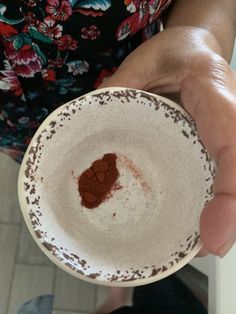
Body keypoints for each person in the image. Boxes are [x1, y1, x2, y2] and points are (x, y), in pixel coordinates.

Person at [1, 1, 236, 312]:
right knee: (31, 173)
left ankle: (118, 286)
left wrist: (198, 37)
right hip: (13, 122)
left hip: (143, 80)